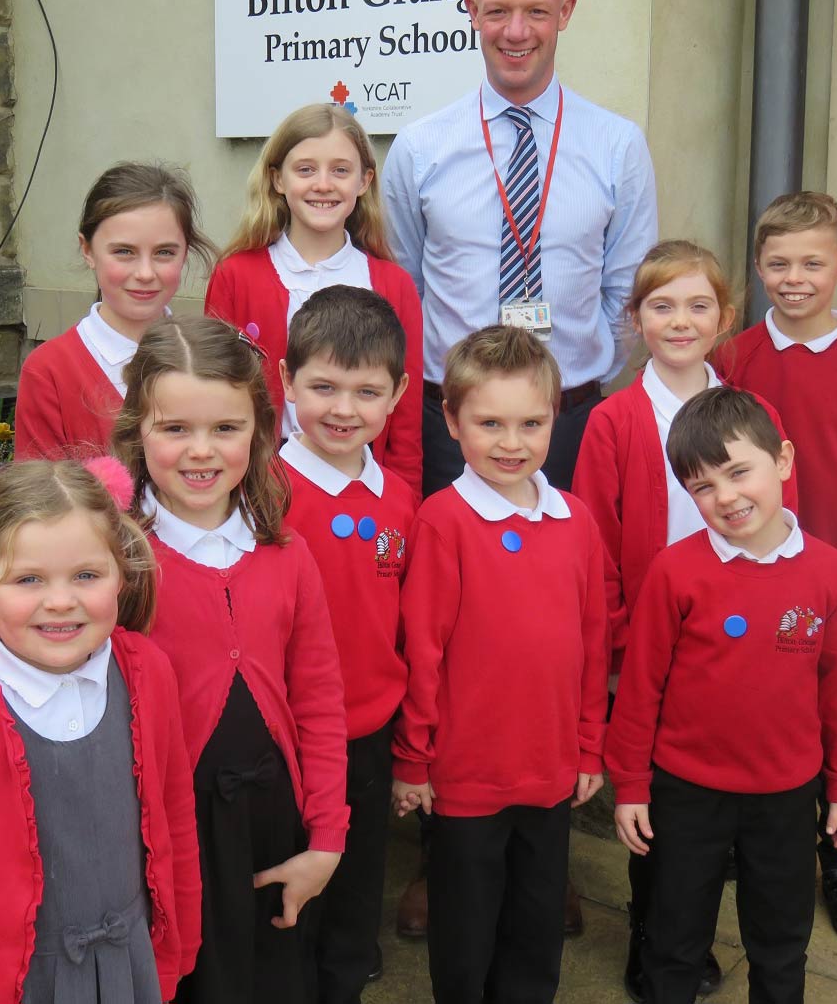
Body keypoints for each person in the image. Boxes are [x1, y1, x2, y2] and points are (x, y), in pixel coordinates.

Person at [0, 458, 201, 1003]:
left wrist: (179, 947)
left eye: (87, 576)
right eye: (29, 580)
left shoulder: (149, 673)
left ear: (123, 571)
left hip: (130, 972)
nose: (61, 601)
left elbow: (175, 815)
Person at [574, 240, 799, 1000]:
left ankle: (698, 924)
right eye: (661, 306)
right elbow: (595, 542)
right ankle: (657, 933)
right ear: (635, 320)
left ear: (725, 317)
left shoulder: (753, 412)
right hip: (651, 640)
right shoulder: (614, 419)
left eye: (698, 305)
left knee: (718, 797)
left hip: (734, 640)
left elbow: (775, 518)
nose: (681, 321)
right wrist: (614, 637)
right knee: (662, 802)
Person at [111, 315, 350, 1004]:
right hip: (170, 837)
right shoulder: (114, 562)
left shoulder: (287, 553)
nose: (201, 452)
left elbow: (319, 700)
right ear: (137, 431)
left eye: (226, 428)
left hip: (277, 829)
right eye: (174, 428)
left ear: (260, 431)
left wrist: (326, 841)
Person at [607, 386, 837, 1003]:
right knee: (672, 942)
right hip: (685, 793)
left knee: (780, 943)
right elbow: (642, 686)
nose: (724, 497)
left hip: (784, 795)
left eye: (738, 472)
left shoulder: (828, 571)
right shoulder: (676, 571)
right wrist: (631, 784)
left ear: (782, 460)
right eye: (702, 487)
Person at [382, 0, 658, 498]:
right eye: (498, 11)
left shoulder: (617, 145)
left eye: (536, 10)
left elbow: (630, 288)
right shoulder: (419, 147)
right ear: (472, 12)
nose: (516, 31)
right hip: (450, 425)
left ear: (565, 13)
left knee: (562, 581)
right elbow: (401, 284)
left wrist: (579, 372)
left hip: (569, 423)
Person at [392, 325, 609, 1004]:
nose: (511, 442)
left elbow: (591, 642)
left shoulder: (575, 520)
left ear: (554, 421)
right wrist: (413, 759)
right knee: (466, 928)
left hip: (549, 770)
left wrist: (588, 748)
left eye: (530, 423)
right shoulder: (443, 521)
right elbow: (422, 650)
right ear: (452, 421)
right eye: (490, 423)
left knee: (537, 922)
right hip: (466, 775)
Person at [718, 192, 837, 942]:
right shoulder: (734, 356)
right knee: (745, 692)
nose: (794, 278)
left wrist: (834, 537)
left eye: (812, 264)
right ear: (759, 268)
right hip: (745, 564)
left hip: (835, 569)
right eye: (778, 263)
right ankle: (744, 834)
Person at [277, 286, 418, 1001]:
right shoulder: (262, 492)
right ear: (286, 381)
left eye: (367, 391)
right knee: (288, 901)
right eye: (323, 386)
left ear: (396, 396)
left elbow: (406, 628)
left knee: (357, 896)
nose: (343, 409)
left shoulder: (400, 501)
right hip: (286, 737)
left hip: (367, 732)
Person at [207, 103, 423, 495]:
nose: (323, 184)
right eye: (305, 169)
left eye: (340, 170)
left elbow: (406, 423)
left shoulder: (394, 285)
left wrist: (404, 501)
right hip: (264, 491)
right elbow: (215, 398)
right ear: (277, 179)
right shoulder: (236, 275)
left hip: (364, 494)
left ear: (364, 181)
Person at [15, 162, 214, 459]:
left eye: (164, 253)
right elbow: (41, 497)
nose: (145, 273)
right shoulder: (50, 371)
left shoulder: (211, 355)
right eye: (124, 252)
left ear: (185, 251)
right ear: (87, 250)